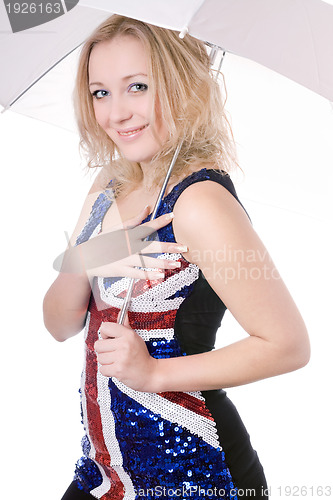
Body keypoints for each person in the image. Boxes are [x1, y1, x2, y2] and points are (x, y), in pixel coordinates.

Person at [43, 14, 311, 500]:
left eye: (138, 86)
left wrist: (154, 373)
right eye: (100, 92)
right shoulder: (108, 185)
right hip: (102, 473)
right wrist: (85, 259)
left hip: (195, 474)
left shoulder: (200, 202)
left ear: (182, 84)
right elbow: (59, 325)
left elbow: (288, 345)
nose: (116, 113)